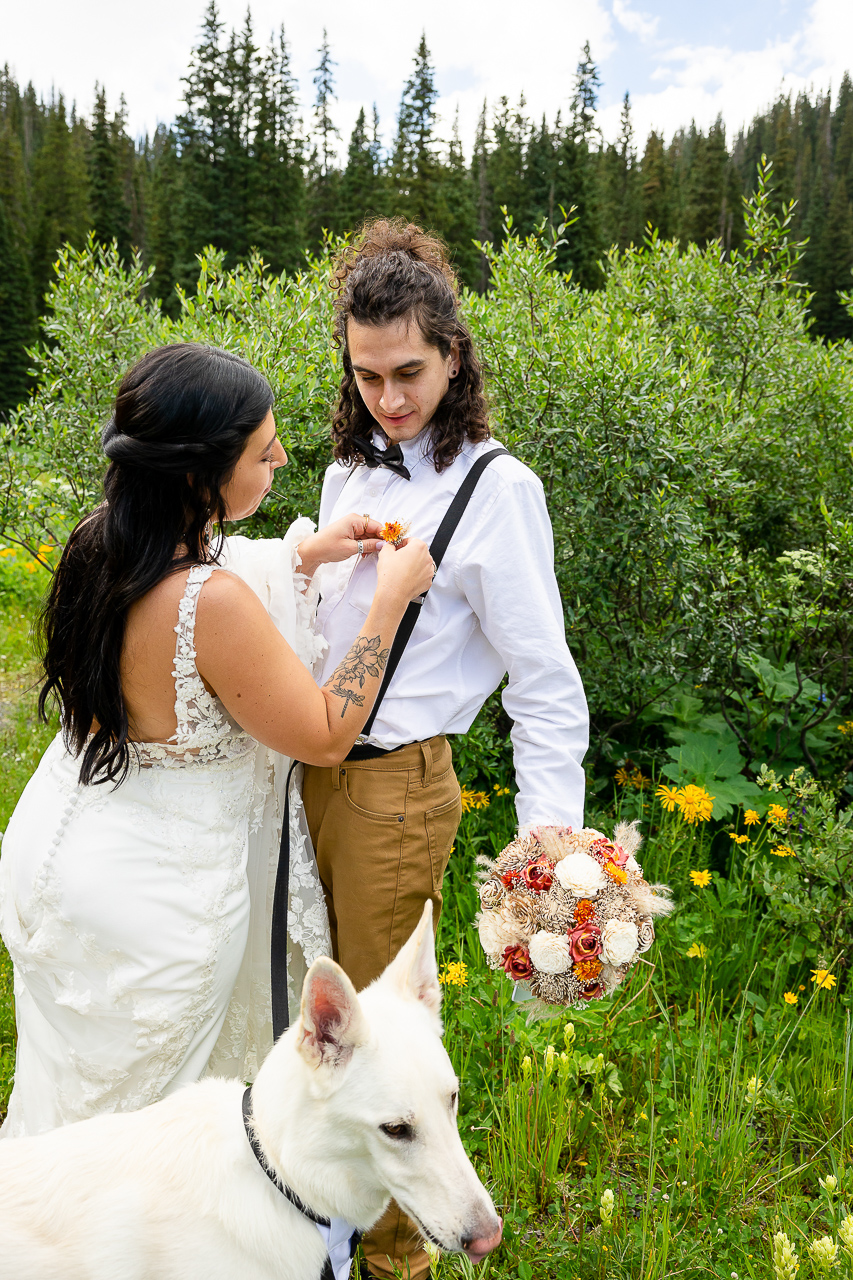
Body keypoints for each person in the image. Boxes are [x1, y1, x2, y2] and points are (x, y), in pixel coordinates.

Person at [0, 342, 433, 1139]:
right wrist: (389, 603)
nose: (279, 457)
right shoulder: (215, 603)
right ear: (199, 472)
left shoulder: (101, 541)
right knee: (141, 1128)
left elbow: (195, 586)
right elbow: (327, 734)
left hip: (62, 855)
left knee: (73, 1093)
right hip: (155, 896)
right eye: (260, 447)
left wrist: (302, 553)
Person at [302, 220, 590, 1280]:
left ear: (453, 351)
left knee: (382, 1050)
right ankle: (314, 1233)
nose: (389, 398)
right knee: (316, 1025)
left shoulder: (497, 486)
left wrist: (545, 850)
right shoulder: (345, 469)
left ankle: (391, 1262)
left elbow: (545, 680)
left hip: (398, 790)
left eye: (409, 371)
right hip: (308, 773)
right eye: (367, 374)